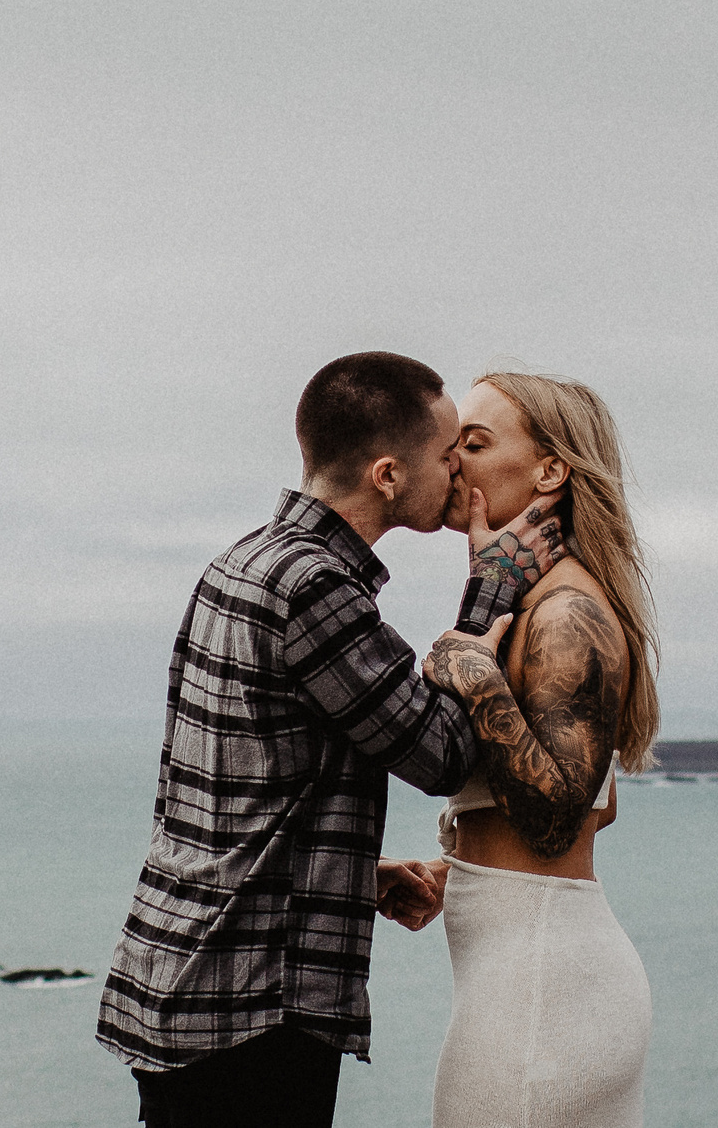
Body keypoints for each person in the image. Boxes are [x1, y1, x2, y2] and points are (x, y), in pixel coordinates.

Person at [96, 351, 570, 1127]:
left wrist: (353, 871)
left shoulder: (241, 562)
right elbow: (445, 751)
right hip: (250, 1005)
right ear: (388, 474)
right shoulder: (315, 588)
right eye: (448, 455)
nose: (457, 473)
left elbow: (229, 791)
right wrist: (491, 588)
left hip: (187, 978)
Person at [419, 371, 659, 1128]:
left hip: (538, 999)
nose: (453, 458)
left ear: (551, 469)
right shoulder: (535, 603)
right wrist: (462, 860)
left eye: (477, 442)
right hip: (536, 972)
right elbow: (598, 800)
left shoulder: (566, 611)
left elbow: (557, 819)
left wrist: (470, 665)